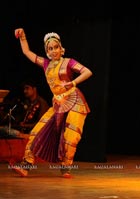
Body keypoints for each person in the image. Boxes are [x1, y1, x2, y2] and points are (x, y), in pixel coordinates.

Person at [12, 28, 93, 178]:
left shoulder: (69, 62)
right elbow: (27, 53)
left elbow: (87, 72)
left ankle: (66, 168)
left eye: (56, 47)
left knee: (71, 135)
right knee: (36, 131)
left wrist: (73, 83)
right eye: (50, 48)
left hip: (74, 100)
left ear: (60, 48)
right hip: (58, 103)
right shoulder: (46, 64)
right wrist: (22, 37)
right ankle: (26, 165)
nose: (54, 50)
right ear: (47, 51)